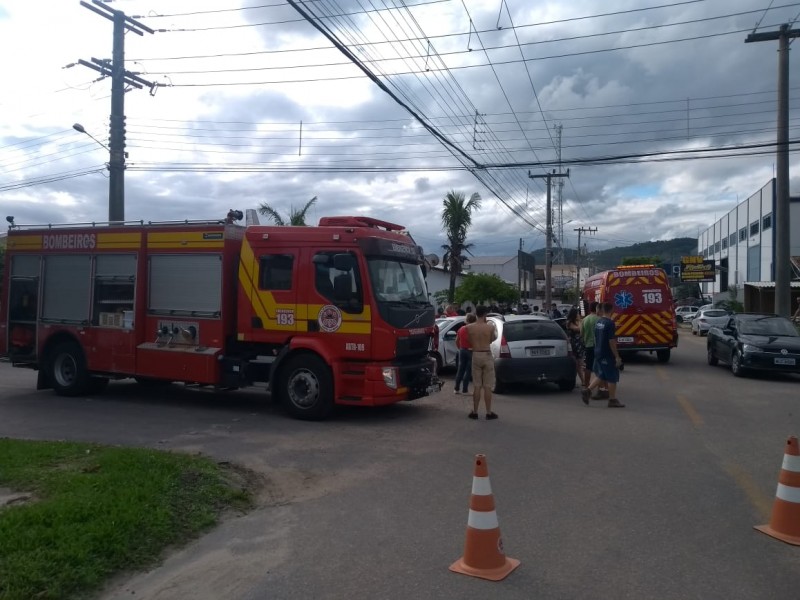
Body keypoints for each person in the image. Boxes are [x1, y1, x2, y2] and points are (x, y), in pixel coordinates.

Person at [582, 302, 625, 408]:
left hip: (598, 352)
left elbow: (596, 337)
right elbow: (611, 341)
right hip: (607, 353)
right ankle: (612, 399)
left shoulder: (599, 322)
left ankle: (587, 391)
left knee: (601, 375)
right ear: (611, 310)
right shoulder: (610, 323)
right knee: (612, 377)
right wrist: (617, 356)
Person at [466, 305, 498, 420]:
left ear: (475, 313)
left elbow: (469, 341)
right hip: (486, 353)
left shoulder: (469, 327)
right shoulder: (490, 327)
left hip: (476, 354)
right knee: (488, 386)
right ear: (485, 314)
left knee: (477, 385)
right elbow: (492, 339)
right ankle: (489, 412)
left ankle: (475, 411)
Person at [454, 313, 476, 394]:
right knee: (468, 370)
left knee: (460, 369)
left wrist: (460, 348)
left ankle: (456, 388)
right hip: (471, 350)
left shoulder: (461, 329)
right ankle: (465, 389)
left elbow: (456, 340)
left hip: (462, 350)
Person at [580, 301, 600, 392]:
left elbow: (581, 333)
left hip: (588, 345)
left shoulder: (585, 319)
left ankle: (586, 385)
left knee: (588, 366)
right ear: (597, 308)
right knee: (599, 366)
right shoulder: (599, 319)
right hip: (598, 346)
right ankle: (600, 386)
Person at [565, 307, 584, 387]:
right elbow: (579, 329)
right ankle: (581, 381)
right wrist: (580, 321)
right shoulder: (569, 322)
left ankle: (581, 381)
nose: (578, 315)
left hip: (579, 344)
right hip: (574, 344)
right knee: (576, 364)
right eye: (577, 313)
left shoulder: (576, 321)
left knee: (579, 364)